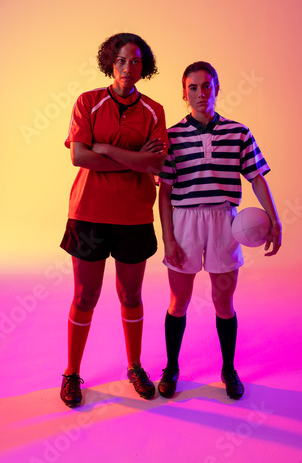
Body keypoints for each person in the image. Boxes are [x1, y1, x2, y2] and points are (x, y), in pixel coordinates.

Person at [158, 61, 282, 400]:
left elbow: (256, 178)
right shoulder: (171, 137)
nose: (201, 93)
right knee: (179, 300)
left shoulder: (238, 133)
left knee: (223, 301)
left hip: (225, 222)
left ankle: (228, 368)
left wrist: (275, 220)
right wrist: (168, 238)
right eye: (193, 87)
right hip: (184, 222)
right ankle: (171, 368)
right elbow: (165, 191)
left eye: (207, 86)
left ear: (217, 89)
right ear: (184, 93)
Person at [59, 33, 168, 407]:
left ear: (144, 66)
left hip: (134, 216)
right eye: (121, 60)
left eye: (135, 61)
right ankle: (72, 372)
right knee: (85, 296)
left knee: (131, 295)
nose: (127, 68)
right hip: (88, 213)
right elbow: (78, 157)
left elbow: (156, 164)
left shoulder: (154, 110)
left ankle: (135, 366)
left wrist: (104, 148)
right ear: (110, 62)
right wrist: (132, 158)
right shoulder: (88, 102)